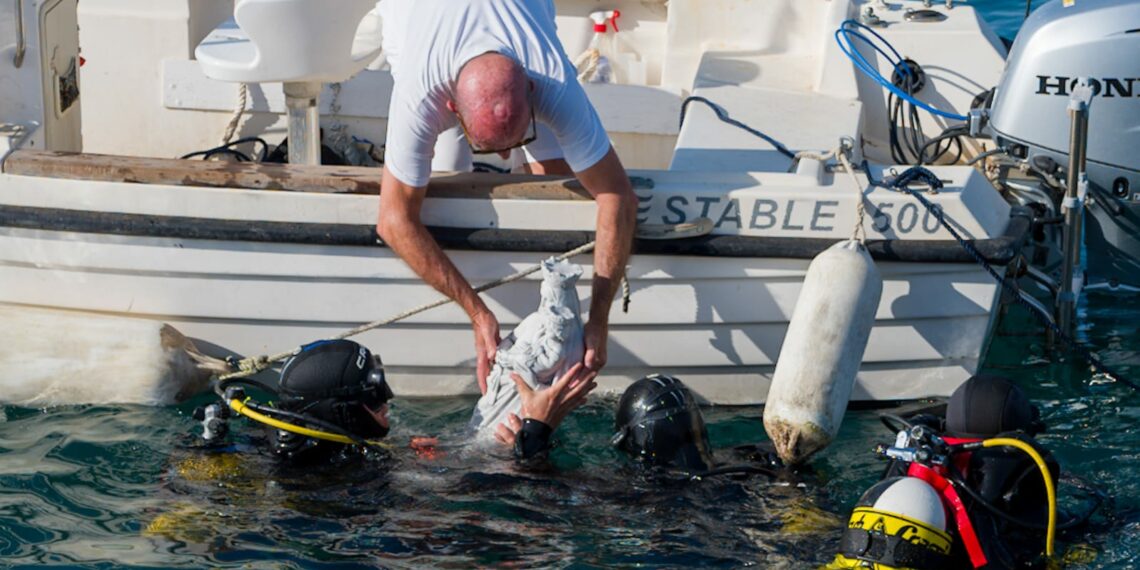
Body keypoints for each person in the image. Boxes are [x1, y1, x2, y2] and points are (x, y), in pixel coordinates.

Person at [374, 0, 639, 394]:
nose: (502, 158)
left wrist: (599, 317)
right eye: (490, 148)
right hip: (415, 13)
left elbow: (617, 194)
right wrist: (477, 313)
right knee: (444, 176)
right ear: (450, 107)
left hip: (524, 24)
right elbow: (393, 220)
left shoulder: (552, 77)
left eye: (518, 138)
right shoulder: (421, 89)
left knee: (558, 186)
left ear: (531, 89)